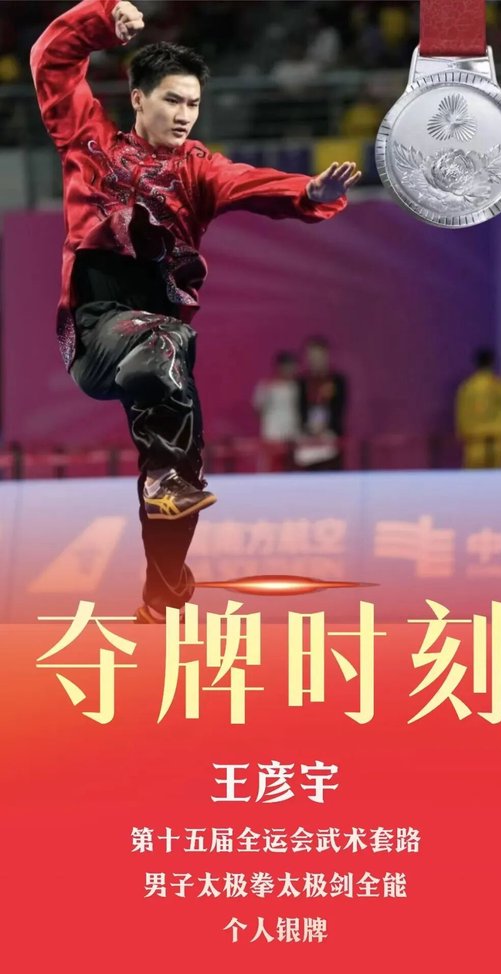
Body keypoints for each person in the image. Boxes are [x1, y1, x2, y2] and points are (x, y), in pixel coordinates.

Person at [30, 0, 361, 622]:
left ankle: (163, 594)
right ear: (137, 98)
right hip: (97, 335)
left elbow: (251, 183)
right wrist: (102, 18)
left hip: (160, 363)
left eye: (194, 104)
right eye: (172, 101)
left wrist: (309, 192)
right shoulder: (88, 141)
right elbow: (51, 61)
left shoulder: (199, 171)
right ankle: (164, 488)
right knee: (169, 342)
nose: (184, 114)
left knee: (180, 471)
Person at [455, 348, 501, 468]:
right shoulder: (497, 384)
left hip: (474, 444)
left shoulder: (467, 387)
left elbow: (460, 415)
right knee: (495, 478)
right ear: (492, 363)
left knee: (473, 478)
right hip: (496, 443)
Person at [295, 336, 347, 470]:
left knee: (331, 472)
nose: (315, 359)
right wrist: (309, 427)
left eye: (318, 355)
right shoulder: (302, 382)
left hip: (331, 436)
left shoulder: (337, 381)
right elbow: (300, 408)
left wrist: (326, 427)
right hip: (308, 437)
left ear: (326, 355)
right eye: (312, 356)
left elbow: (339, 407)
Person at [253, 351, 300, 471]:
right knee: (269, 467)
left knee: (291, 468)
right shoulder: (266, 386)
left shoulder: (297, 387)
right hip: (272, 434)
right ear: (279, 367)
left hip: (291, 433)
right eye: (286, 366)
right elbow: (258, 409)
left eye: (292, 366)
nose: (289, 370)